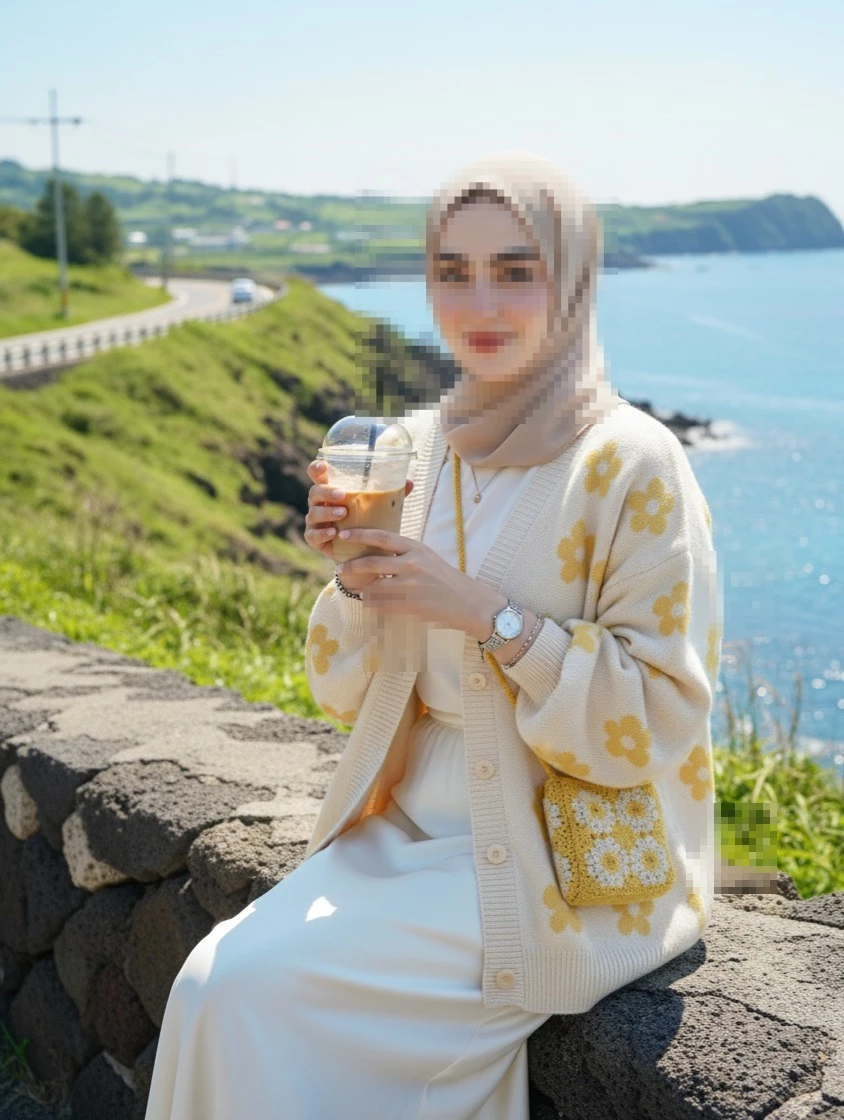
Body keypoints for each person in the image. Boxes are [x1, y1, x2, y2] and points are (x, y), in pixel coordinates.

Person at [144, 152, 722, 1120]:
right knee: (213, 980)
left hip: (551, 853)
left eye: (515, 269)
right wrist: (357, 580)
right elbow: (342, 693)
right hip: (406, 824)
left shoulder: (634, 461)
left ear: (572, 281)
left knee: (257, 992)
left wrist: (489, 618)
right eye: (451, 271)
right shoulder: (419, 447)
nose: (478, 302)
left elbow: (658, 717)